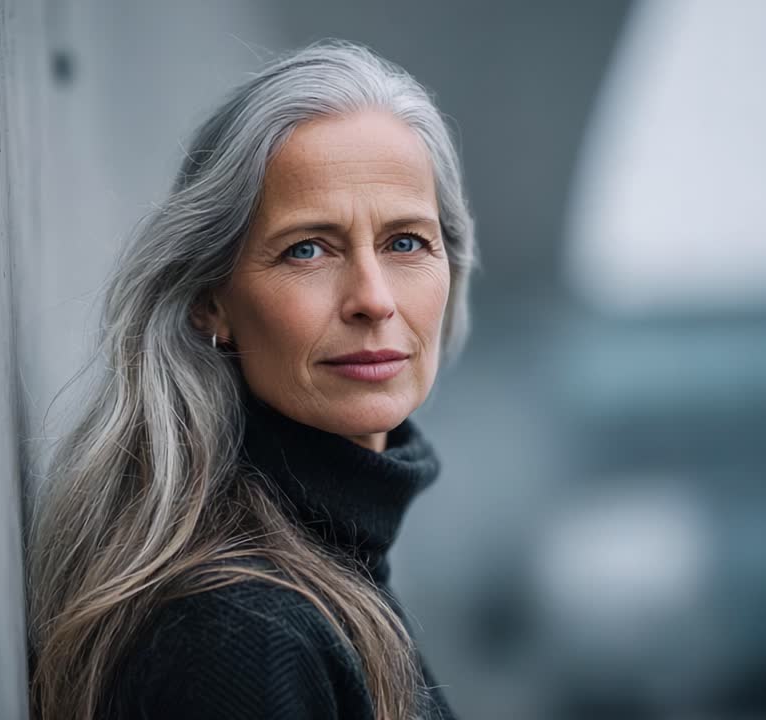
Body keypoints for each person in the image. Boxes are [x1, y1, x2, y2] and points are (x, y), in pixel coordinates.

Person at [26, 39, 477, 719]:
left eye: (406, 242)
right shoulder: (240, 637)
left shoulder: (328, 568)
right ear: (212, 300)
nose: (373, 298)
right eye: (308, 249)